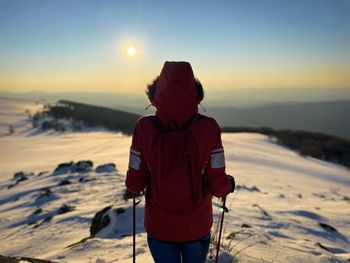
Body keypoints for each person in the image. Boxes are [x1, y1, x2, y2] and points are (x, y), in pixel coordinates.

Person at [125, 61, 235, 263]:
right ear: (195, 92)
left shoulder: (143, 127)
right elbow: (218, 185)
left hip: (160, 227)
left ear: (156, 93)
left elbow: (135, 182)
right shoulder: (209, 127)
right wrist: (229, 184)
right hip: (197, 224)